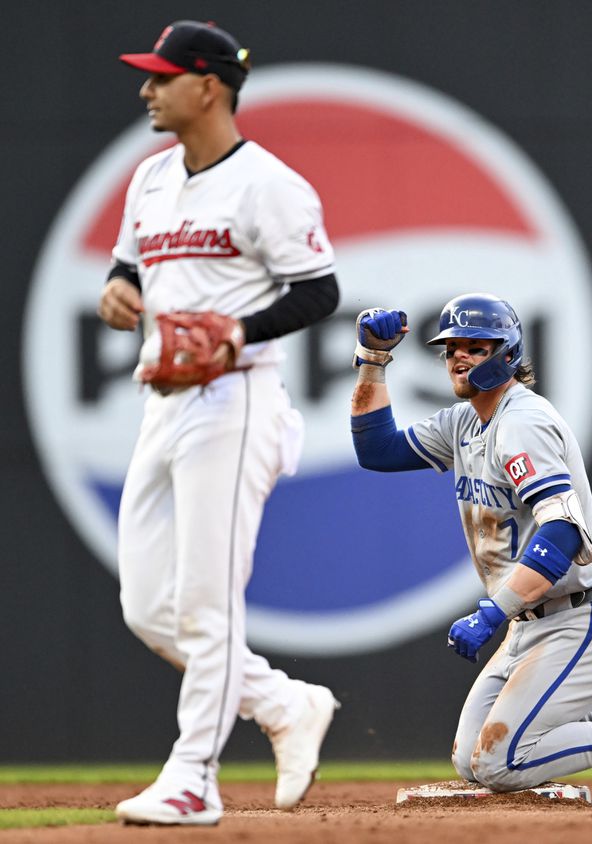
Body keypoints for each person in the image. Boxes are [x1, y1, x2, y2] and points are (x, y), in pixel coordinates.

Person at [98, 20, 340, 826]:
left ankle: (193, 775)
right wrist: (118, 291)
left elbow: (318, 291)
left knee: (207, 602)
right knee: (147, 607)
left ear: (209, 85)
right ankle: (282, 703)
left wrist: (237, 331)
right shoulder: (151, 178)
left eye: (162, 77)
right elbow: (130, 265)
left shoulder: (268, 184)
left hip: (236, 399)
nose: (147, 89)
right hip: (161, 400)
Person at [349, 294, 592, 804]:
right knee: (469, 761)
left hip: (584, 618)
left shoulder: (521, 421)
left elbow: (563, 532)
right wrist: (373, 360)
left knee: (499, 762)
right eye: (452, 347)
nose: (459, 357)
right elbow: (377, 451)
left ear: (506, 352)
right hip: (532, 624)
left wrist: (492, 612)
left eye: (475, 347)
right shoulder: (464, 422)